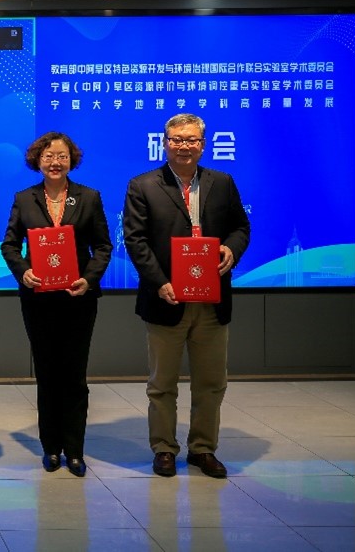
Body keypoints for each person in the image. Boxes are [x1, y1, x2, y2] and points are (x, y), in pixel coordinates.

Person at [123, 113, 250, 479]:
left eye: (191, 139)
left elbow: (241, 227)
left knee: (211, 383)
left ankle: (203, 449)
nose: (184, 146)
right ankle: (164, 448)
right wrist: (159, 282)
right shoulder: (143, 185)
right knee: (162, 384)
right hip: (166, 298)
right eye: (177, 139)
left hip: (211, 300)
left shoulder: (222, 182)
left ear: (203, 145)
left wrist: (230, 249)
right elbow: (135, 239)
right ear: (165, 143)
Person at [0, 132, 112, 477]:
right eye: (48, 156)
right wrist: (24, 271)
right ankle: (51, 447)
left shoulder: (89, 197)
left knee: (74, 375)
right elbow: (9, 245)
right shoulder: (24, 198)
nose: (55, 162)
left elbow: (103, 246)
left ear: (71, 160)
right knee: (47, 373)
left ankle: (74, 450)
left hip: (78, 298)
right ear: (37, 160)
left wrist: (88, 279)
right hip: (39, 300)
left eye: (62, 156)